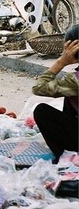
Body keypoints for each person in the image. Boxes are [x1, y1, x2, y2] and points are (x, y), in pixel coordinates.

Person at [32, 25, 79, 163]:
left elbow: (39, 87)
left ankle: (63, 156)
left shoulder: (74, 80)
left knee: (42, 111)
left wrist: (61, 62)